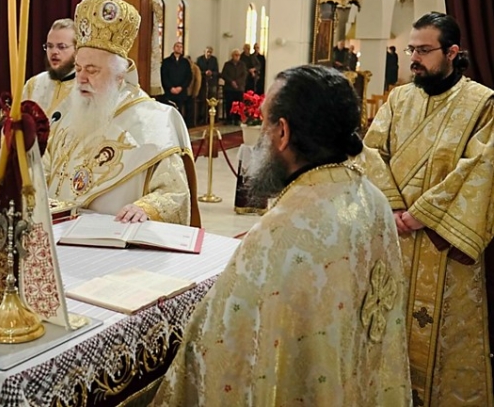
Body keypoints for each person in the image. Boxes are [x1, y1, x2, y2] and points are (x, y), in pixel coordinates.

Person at [153, 65, 411, 406]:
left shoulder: (279, 234)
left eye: (264, 123)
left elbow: (217, 344)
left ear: (283, 132)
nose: (262, 134)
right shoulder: (373, 199)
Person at [361, 12, 494, 405]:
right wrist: (393, 207)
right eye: (411, 50)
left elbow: (481, 167)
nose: (414, 59)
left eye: (423, 50)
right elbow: (371, 152)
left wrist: (423, 214)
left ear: (452, 52)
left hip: (443, 242)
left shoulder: (481, 103)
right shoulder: (399, 98)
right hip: (395, 240)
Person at [44, 0, 200, 226]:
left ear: (119, 76)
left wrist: (145, 208)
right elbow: (46, 168)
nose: (82, 78)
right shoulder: (68, 114)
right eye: (78, 68)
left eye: (92, 70)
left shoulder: (154, 121)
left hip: (115, 235)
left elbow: (174, 194)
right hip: (58, 232)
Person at [0, 19, 76, 172]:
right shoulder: (34, 84)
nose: (54, 52)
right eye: (49, 46)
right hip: (26, 167)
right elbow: (13, 126)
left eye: (61, 47)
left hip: (63, 170)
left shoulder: (84, 89)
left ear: (77, 50)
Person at [160, 41, 192, 123]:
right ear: (174, 48)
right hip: (170, 91)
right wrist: (170, 87)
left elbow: (188, 77)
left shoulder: (185, 62)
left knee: (180, 111)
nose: (179, 48)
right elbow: (164, 76)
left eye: (181, 47)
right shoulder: (166, 61)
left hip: (181, 90)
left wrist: (181, 87)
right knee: (169, 110)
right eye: (177, 46)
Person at [220, 49, 247, 123]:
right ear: (232, 56)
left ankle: (237, 119)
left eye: (238, 55)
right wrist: (231, 82)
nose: (237, 56)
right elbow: (224, 74)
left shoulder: (242, 64)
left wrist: (237, 82)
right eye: (236, 55)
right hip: (229, 88)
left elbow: (244, 75)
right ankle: (229, 119)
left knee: (239, 104)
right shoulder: (227, 64)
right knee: (229, 104)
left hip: (239, 88)